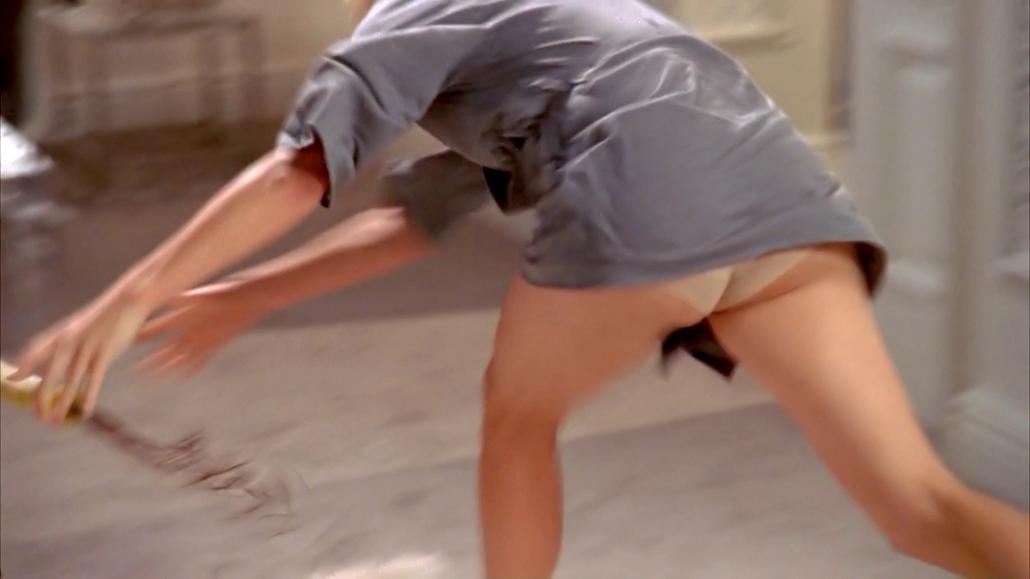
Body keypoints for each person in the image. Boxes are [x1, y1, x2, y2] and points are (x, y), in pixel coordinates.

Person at [11, 1, 1029, 577]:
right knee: (920, 508)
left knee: (516, 418)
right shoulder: (542, 21)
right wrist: (247, 296)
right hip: (783, 200)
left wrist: (124, 298)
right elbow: (415, 216)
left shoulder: (409, 13)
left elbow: (298, 169)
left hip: (653, 184)